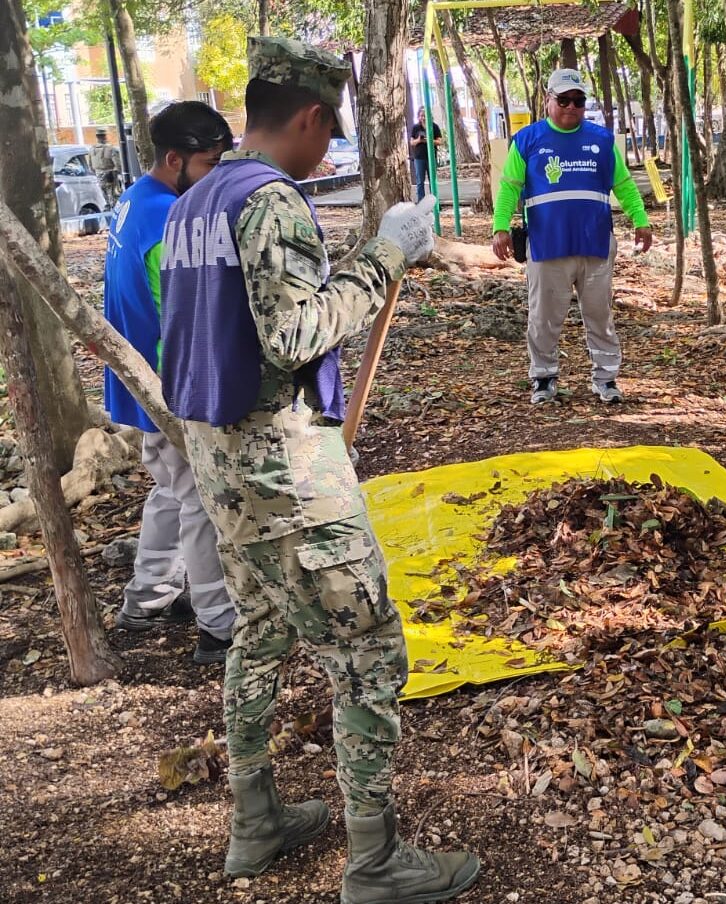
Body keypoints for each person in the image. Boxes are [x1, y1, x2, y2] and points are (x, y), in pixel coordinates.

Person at [158, 36, 480, 903]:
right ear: (307, 117)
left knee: (260, 634)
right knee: (370, 651)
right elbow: (296, 333)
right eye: (330, 129)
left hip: (223, 471)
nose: (330, 147)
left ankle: (254, 819)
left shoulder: (196, 199)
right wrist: (385, 255)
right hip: (284, 478)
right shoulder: (271, 201)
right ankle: (375, 863)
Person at [103, 102, 238, 665]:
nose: (216, 174)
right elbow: (179, 316)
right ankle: (218, 624)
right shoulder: (168, 220)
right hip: (167, 385)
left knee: (170, 489)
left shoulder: (135, 198)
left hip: (136, 379)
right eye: (210, 163)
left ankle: (147, 599)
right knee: (203, 500)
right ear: (175, 159)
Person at [491, 68, 653, 404]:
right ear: (548, 100)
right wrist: (500, 227)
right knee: (544, 317)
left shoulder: (601, 140)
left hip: (594, 244)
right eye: (563, 100)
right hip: (548, 244)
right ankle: (544, 378)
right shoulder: (527, 140)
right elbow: (510, 188)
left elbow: (622, 185)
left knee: (599, 314)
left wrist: (640, 219)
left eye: (578, 101)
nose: (571, 107)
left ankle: (606, 379)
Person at [409, 107, 442, 200]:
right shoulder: (416, 128)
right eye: (421, 116)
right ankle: (421, 202)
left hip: (431, 157)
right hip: (419, 157)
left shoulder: (434, 126)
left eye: (425, 116)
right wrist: (419, 140)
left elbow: (439, 141)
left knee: (433, 181)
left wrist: (428, 140)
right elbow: (412, 142)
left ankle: (435, 202)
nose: (423, 118)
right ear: (419, 117)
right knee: (420, 181)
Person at [90, 127, 122, 208]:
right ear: (105, 136)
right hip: (110, 176)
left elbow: (91, 166)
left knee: (106, 199)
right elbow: (118, 165)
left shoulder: (92, 149)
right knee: (114, 198)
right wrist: (117, 173)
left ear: (97, 136)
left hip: (98, 176)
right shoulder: (111, 149)